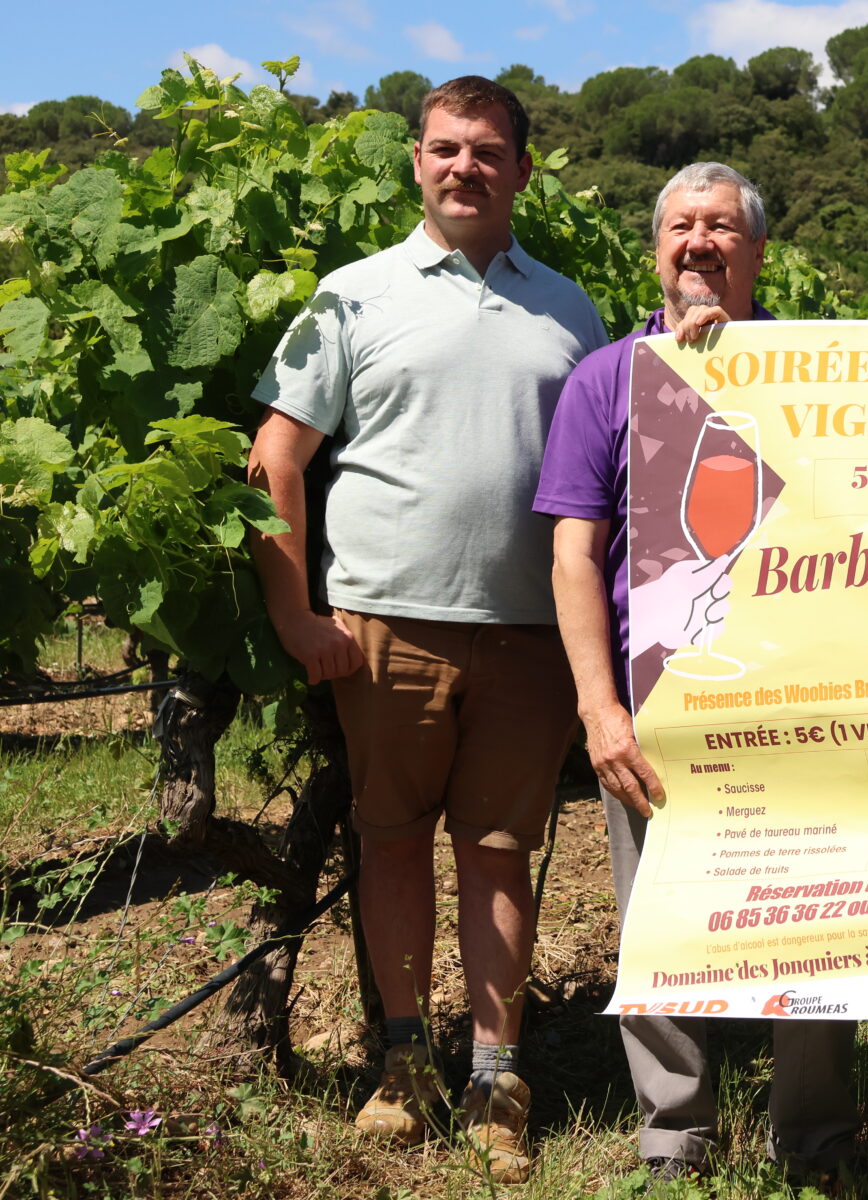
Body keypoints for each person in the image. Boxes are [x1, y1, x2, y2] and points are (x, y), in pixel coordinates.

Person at [245, 76, 609, 1183]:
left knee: (503, 853)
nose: (466, 168)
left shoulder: (572, 309)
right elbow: (275, 462)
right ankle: (403, 1064)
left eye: (488, 152)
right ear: (416, 162)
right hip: (384, 628)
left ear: (521, 170)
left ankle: (498, 1074)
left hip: (531, 636)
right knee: (392, 838)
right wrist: (296, 610)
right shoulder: (350, 298)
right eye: (446, 149)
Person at [533, 161, 860, 1182]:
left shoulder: (827, 370)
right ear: (656, 249)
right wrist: (599, 709)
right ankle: (674, 1136)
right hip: (658, 707)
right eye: (681, 226)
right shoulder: (607, 380)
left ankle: (813, 1138)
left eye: (722, 226)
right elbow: (574, 554)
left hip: (805, 701)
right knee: (662, 923)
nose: (700, 244)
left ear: (757, 250)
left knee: (814, 916)